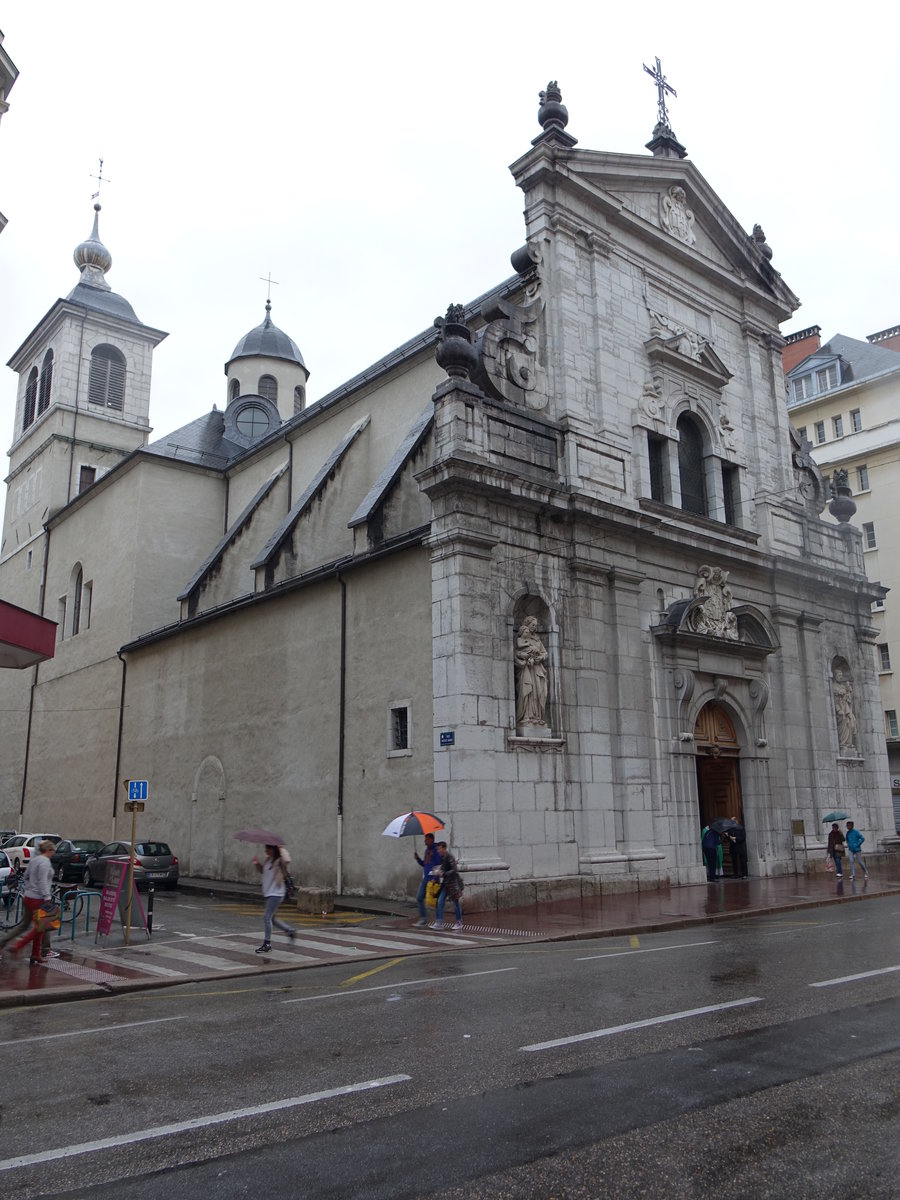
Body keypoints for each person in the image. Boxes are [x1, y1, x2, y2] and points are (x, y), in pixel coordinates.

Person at [7, 840, 60, 965]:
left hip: (28, 896)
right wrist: (47, 897)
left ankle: (35, 954)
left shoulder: (34, 860)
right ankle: (18, 945)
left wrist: (29, 888)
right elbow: (42, 881)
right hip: (39, 898)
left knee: (40, 928)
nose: (53, 854)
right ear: (49, 850)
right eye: (53, 851)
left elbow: (26, 876)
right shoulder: (45, 862)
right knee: (40, 927)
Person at [252, 843, 297, 953]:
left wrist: (281, 849)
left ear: (274, 849)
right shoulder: (268, 860)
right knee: (272, 918)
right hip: (269, 892)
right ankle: (290, 930)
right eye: (265, 848)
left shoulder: (279, 860)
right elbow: (263, 871)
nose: (266, 850)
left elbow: (287, 860)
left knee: (267, 917)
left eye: (268, 848)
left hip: (276, 893)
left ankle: (267, 944)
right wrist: (257, 863)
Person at [514, 616, 549, 727]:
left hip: (537, 669)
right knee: (527, 690)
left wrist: (541, 658)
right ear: (527, 625)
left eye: (535, 625)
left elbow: (544, 653)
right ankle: (526, 717)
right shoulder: (521, 639)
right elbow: (516, 653)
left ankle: (537, 717)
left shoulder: (537, 640)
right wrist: (524, 656)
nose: (535, 627)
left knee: (539, 692)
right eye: (533, 625)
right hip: (526, 669)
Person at [432, 841, 464, 930]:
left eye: (439, 849)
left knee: (455, 903)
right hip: (446, 884)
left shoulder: (449, 857)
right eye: (437, 849)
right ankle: (439, 922)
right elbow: (444, 867)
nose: (438, 851)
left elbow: (454, 869)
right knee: (440, 901)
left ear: (444, 848)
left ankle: (459, 922)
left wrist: (443, 874)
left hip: (452, 884)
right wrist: (437, 871)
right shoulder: (443, 857)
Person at [413, 832, 441, 927]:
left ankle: (438, 920)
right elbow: (425, 864)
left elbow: (438, 865)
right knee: (419, 897)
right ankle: (423, 918)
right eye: (425, 840)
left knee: (435, 901)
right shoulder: (427, 850)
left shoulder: (436, 851)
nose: (425, 842)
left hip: (433, 880)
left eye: (426, 840)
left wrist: (435, 878)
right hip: (426, 879)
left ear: (432, 840)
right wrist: (418, 859)